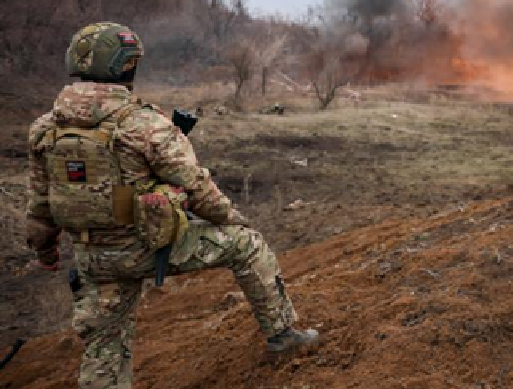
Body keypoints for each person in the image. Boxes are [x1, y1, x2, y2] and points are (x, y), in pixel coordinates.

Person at [25, 22, 318, 389]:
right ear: (126, 66)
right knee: (248, 246)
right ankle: (283, 335)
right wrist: (235, 221)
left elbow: (39, 206)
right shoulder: (145, 124)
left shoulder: (43, 129)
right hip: (144, 248)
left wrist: (47, 253)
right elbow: (196, 187)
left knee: (104, 349)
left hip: (90, 258)